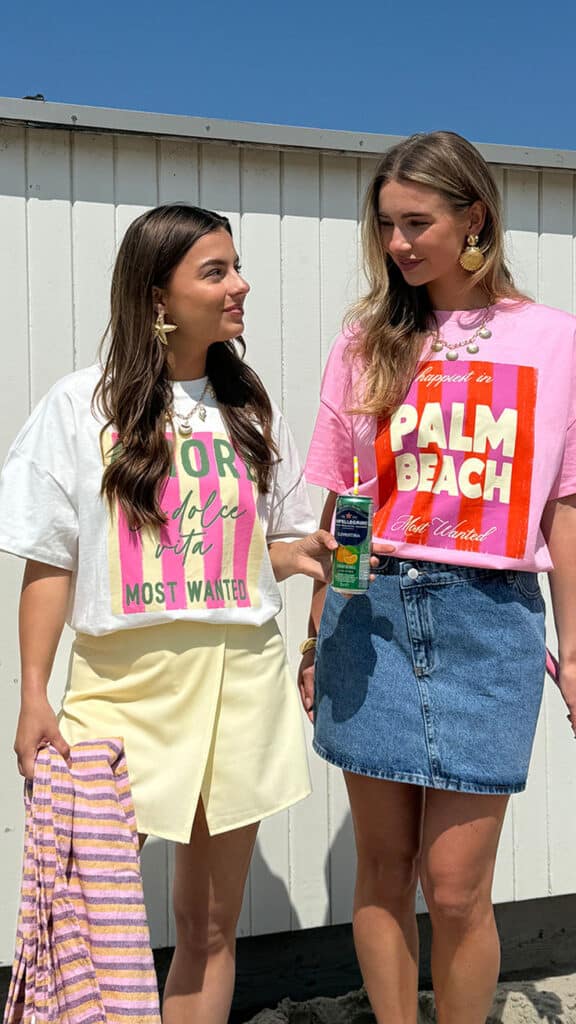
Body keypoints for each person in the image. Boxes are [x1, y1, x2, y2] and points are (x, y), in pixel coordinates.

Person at [0, 204, 336, 1024]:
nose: (240, 285)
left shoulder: (251, 411)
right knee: (81, 923)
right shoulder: (81, 406)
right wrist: (34, 692)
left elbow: (263, 549)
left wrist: (294, 558)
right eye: (215, 272)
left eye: (237, 266)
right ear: (157, 296)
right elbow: (52, 558)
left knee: (210, 927)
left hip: (241, 686)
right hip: (124, 688)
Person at [300, 131, 576, 1024]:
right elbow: (344, 498)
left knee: (457, 887)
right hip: (369, 614)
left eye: (416, 222)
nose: (397, 244)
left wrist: (574, 650)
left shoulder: (555, 341)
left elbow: (564, 506)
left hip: (489, 621)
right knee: (383, 868)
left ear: (474, 218)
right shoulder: (366, 339)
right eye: (386, 225)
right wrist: (315, 632)